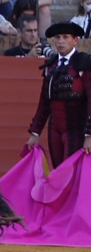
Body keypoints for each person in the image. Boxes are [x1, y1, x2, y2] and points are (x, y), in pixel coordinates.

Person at [26, 22, 91, 166]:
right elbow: (44, 103)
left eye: (66, 37)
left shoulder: (84, 64)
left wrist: (89, 135)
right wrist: (35, 133)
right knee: (57, 167)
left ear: (75, 40)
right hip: (54, 129)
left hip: (76, 129)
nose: (61, 41)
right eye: (58, 37)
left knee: (69, 170)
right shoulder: (51, 66)